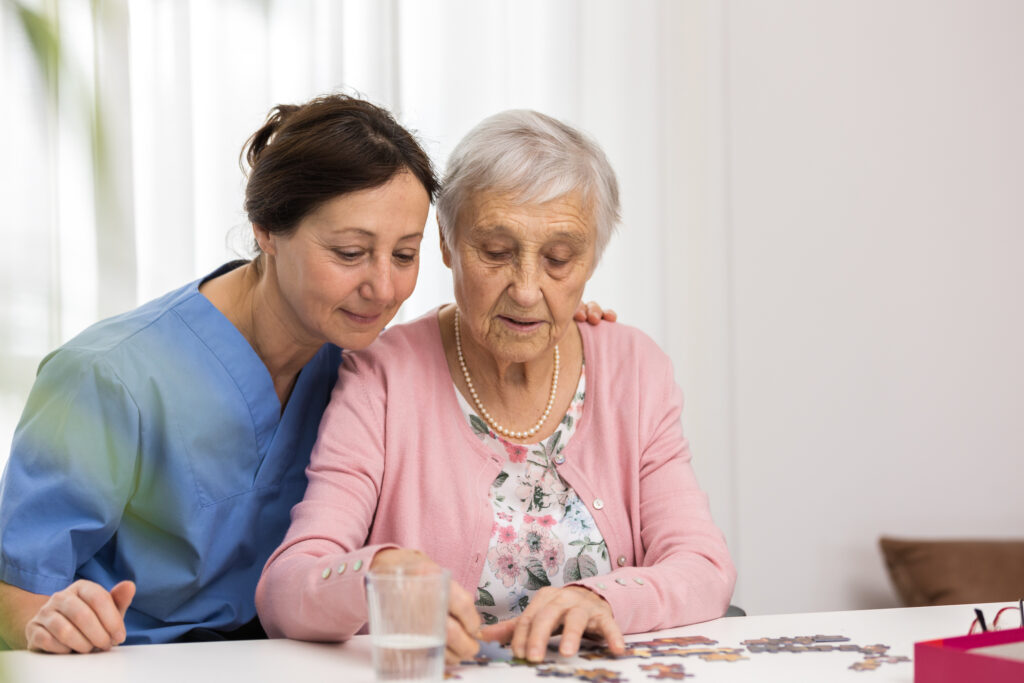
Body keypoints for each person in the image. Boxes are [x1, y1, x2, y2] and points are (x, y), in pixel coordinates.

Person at [255, 110, 736, 665]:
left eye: (559, 259)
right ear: (446, 243)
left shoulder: (633, 368)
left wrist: (604, 599)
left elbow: (703, 564)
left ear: (592, 260)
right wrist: (375, 575)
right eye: (496, 252)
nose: (527, 290)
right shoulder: (381, 376)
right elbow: (285, 588)